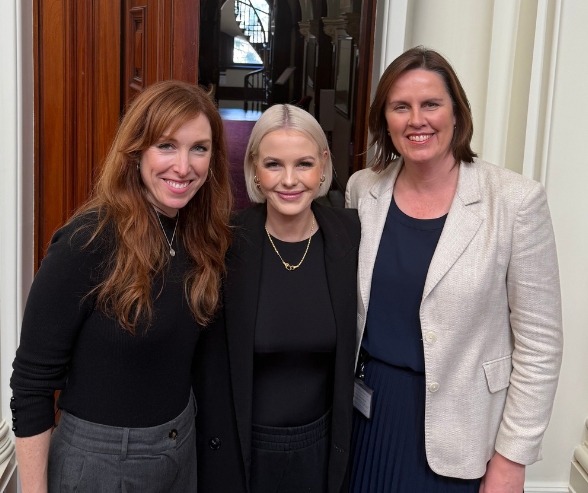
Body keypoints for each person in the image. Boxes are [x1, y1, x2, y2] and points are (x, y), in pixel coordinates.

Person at [346, 46, 563, 493]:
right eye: (400, 107)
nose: (416, 120)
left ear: (457, 112)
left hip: (461, 435)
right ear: (384, 119)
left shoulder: (515, 201)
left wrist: (511, 460)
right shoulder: (362, 190)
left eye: (431, 104)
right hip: (365, 419)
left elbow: (540, 346)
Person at [10, 80, 232, 493]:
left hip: (181, 448)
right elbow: (31, 384)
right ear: (135, 152)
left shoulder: (200, 234)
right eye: (166, 145)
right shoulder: (88, 240)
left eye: (199, 148)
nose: (183, 167)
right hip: (101, 465)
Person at [194, 104, 360, 493]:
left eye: (303, 164)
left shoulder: (350, 235)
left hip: (321, 452)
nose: (289, 180)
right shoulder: (225, 243)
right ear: (254, 168)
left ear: (323, 165)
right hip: (241, 452)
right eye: (273, 165)